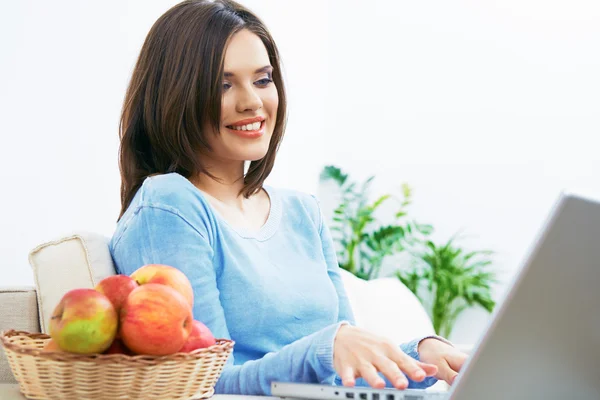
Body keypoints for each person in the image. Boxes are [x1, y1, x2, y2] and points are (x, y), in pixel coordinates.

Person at [109, 0, 468, 396]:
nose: (252, 101)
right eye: (222, 84)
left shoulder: (302, 211)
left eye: (263, 80)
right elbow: (206, 382)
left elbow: (338, 375)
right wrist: (326, 347)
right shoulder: (169, 204)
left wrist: (421, 356)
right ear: (175, 95)